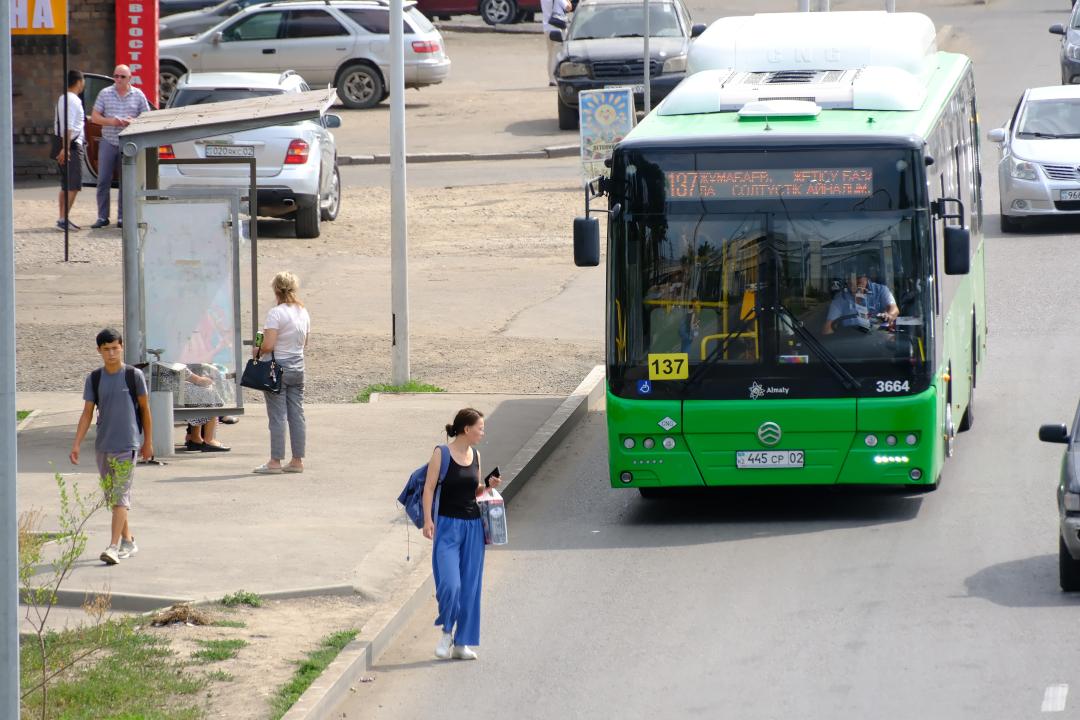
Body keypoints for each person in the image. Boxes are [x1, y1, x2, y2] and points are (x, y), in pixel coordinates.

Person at [422, 408, 503, 661]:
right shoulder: (442, 453)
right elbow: (429, 488)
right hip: (446, 526)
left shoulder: (476, 454)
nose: (483, 431)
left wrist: (486, 486)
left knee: (470, 587)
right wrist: (427, 520)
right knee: (450, 584)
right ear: (466, 429)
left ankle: (462, 643)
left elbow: (473, 492)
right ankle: (447, 631)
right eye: (480, 427)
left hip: (473, 527)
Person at [69, 328, 153, 566]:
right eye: (106, 349)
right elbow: (87, 414)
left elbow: (145, 410)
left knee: (120, 497)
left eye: (115, 348)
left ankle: (113, 546)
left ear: (122, 347)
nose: (112, 353)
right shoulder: (94, 378)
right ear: (99, 351)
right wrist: (76, 444)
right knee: (113, 498)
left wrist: (148, 442)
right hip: (103, 446)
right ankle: (128, 540)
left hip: (128, 444)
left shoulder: (133, 376)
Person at [253, 271, 310, 474]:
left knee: (277, 416)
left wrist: (257, 350)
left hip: (277, 368)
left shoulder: (276, 313)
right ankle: (297, 460)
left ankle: (275, 461)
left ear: (276, 289)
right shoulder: (303, 312)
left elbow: (268, 345)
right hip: (298, 367)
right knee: (297, 414)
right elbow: (305, 342)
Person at [90, 65, 150, 230]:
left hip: (129, 143)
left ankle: (123, 217)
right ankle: (102, 217)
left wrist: (133, 122)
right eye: (116, 76)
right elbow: (95, 117)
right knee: (103, 180)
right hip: (109, 140)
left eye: (122, 77)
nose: (118, 79)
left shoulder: (138, 95)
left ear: (129, 78)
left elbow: (148, 117)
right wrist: (112, 121)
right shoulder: (105, 93)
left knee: (126, 181)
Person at [823, 266, 899, 335]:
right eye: (850, 279)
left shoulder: (881, 290)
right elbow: (828, 327)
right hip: (850, 341)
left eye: (858, 279)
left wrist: (889, 315)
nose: (854, 283)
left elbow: (894, 309)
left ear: (867, 277)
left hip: (878, 338)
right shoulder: (841, 298)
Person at [54, 69, 86, 232]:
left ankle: (62, 217)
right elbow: (69, 126)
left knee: (65, 184)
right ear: (79, 82)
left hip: (61, 142)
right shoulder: (73, 100)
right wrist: (66, 149)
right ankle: (63, 219)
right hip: (71, 144)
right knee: (73, 185)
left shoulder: (62, 98)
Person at [541, 0, 572, 86]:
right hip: (557, 28)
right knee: (557, 54)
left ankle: (551, 78)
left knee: (551, 55)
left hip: (547, 28)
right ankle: (555, 79)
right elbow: (568, 7)